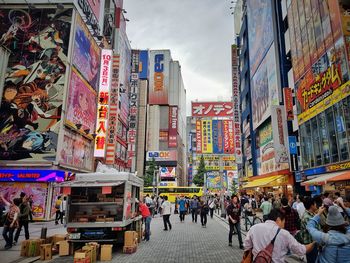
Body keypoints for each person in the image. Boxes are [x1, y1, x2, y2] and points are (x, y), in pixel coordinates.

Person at [244, 209, 315, 263]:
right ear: (278, 220)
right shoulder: (284, 234)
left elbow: (247, 246)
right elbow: (301, 250)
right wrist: (314, 242)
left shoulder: (254, 228)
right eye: (284, 222)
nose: (284, 225)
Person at [296, 197, 319, 263]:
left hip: (313, 242)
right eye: (315, 204)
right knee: (312, 260)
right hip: (310, 243)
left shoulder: (312, 214)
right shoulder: (307, 217)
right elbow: (313, 231)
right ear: (312, 205)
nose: (316, 205)